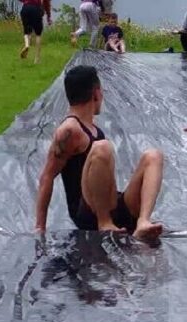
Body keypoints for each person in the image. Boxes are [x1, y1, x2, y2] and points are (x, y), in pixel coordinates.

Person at [35, 66, 165, 240]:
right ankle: (104, 222)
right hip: (89, 213)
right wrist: (40, 227)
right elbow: (47, 176)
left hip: (114, 205)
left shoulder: (93, 129)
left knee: (153, 156)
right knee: (102, 147)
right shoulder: (69, 130)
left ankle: (143, 221)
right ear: (96, 93)